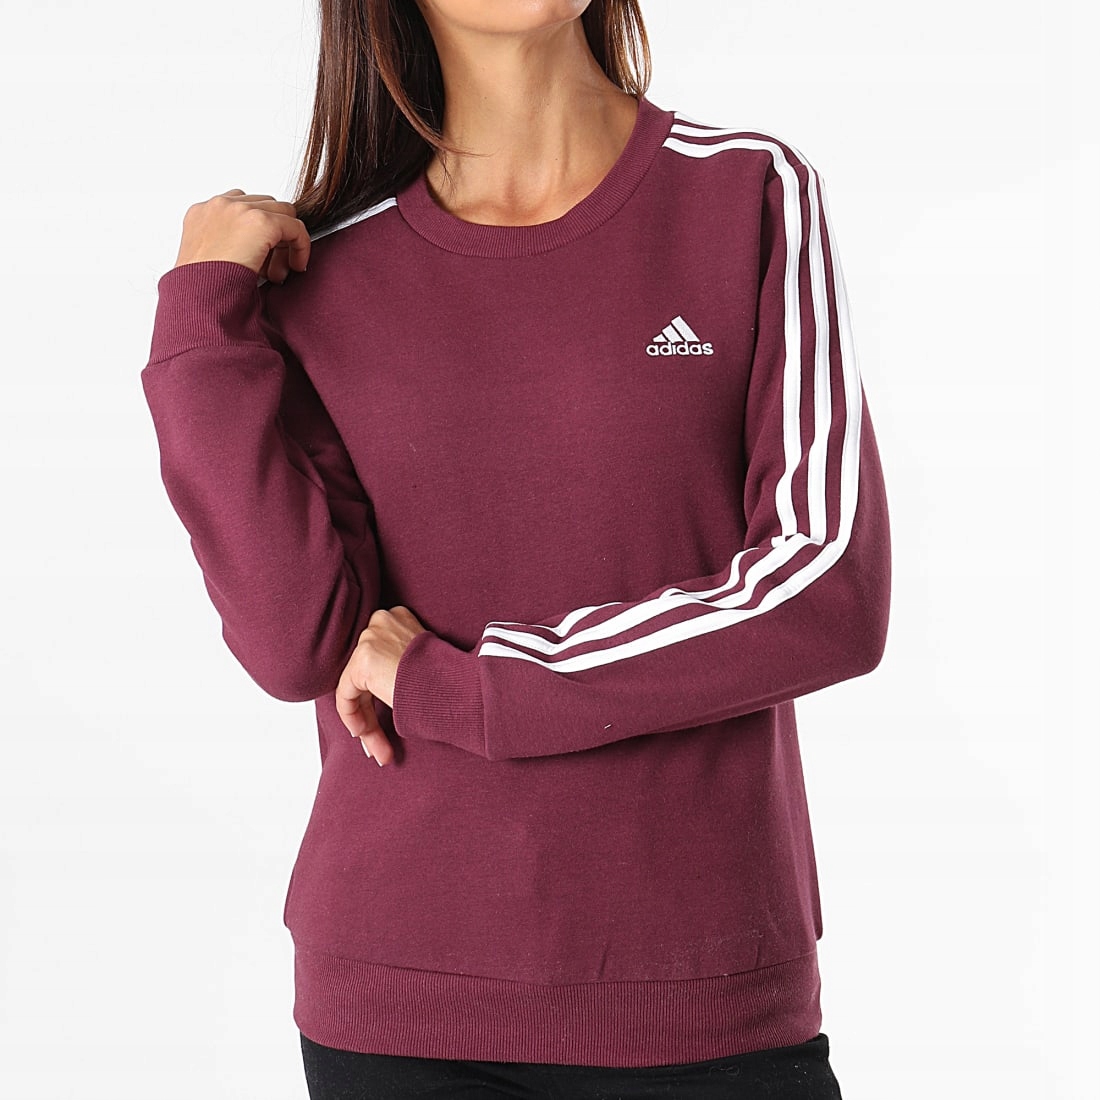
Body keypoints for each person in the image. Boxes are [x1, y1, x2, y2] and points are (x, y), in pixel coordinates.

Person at [140, 1, 891, 1096]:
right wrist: (199, 323)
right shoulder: (324, 273)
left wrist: (475, 686)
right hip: (396, 998)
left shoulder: (746, 191)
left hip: (695, 986)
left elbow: (825, 589)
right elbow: (297, 643)